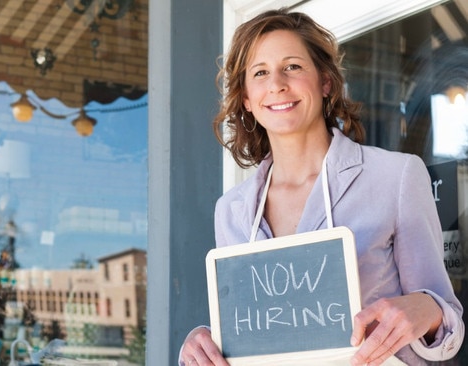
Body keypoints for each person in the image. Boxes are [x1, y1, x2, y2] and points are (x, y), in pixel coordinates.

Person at [179, 8, 465, 366]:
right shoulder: (232, 210)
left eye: (293, 67)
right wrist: (201, 341)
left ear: (325, 82)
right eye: (260, 73)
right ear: (247, 100)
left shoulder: (396, 176)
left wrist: (426, 308)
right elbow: (255, 327)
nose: (277, 84)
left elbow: (447, 320)